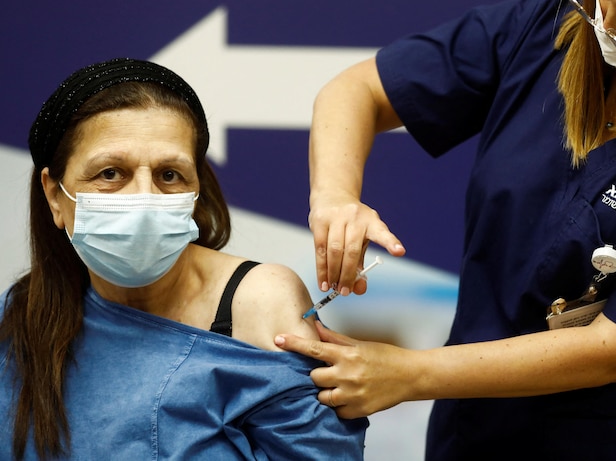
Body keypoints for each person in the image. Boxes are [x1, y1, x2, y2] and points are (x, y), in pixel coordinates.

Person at [275, 0, 616, 459]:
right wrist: (336, 198)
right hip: (474, 431)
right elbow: (356, 90)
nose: (606, 27)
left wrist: (409, 373)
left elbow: (613, 350)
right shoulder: (553, 26)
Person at [0, 58, 368, 460]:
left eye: (169, 175)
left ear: (196, 189)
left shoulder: (259, 304)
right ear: (55, 194)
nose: (144, 199)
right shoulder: (19, 317)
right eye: (110, 173)